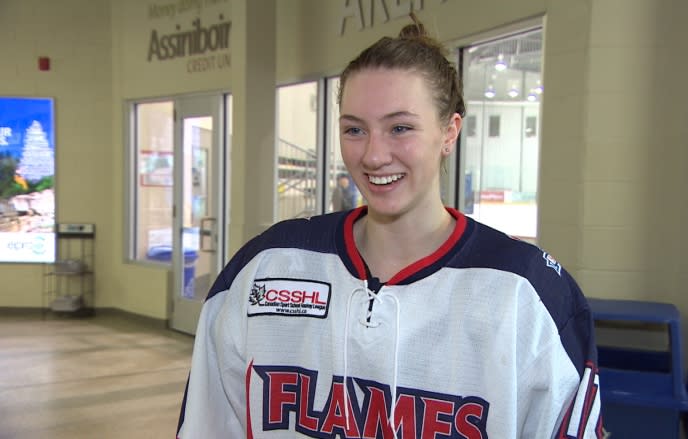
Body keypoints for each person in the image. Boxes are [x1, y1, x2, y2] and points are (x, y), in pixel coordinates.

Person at [177, 15, 602, 439]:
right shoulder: (265, 266)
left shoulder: (526, 294)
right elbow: (206, 424)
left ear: (449, 131)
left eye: (400, 128)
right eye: (354, 130)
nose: (374, 155)